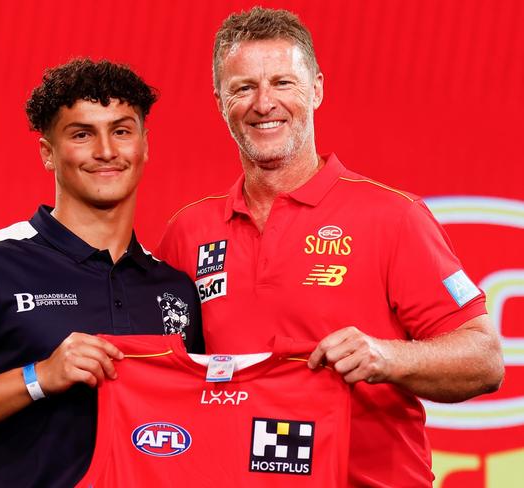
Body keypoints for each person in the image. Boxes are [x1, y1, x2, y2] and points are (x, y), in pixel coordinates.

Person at [156, 7, 504, 487]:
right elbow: (164, 374)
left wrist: (387, 357)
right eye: (243, 88)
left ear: (316, 88)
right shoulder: (187, 231)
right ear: (219, 101)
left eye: (283, 82)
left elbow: (484, 361)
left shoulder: (394, 217)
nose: (264, 103)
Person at [0, 58, 203, 487]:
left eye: (121, 131)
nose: (106, 151)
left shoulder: (175, 288)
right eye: (82, 134)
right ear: (47, 152)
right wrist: (38, 376)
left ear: (144, 145)